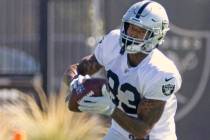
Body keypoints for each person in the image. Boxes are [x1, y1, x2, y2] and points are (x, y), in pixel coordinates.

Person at [64, 0, 182, 140]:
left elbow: (143, 130)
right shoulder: (113, 42)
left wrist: (110, 109)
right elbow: (79, 68)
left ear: (156, 36)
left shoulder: (161, 73)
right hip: (119, 132)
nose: (132, 34)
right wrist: (74, 83)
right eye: (131, 27)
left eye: (140, 31)